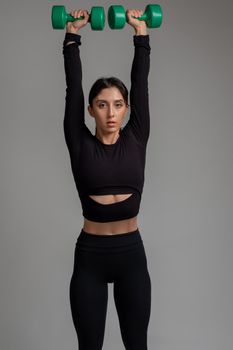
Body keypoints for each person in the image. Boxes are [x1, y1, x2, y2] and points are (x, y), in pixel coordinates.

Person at [62, 7, 152, 350]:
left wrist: (140, 33)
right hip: (91, 257)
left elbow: (140, 84)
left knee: (137, 345)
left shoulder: (137, 136)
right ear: (91, 110)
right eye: (102, 105)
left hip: (131, 255)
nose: (111, 113)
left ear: (127, 108)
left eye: (117, 104)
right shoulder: (78, 142)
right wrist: (72, 36)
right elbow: (73, 89)